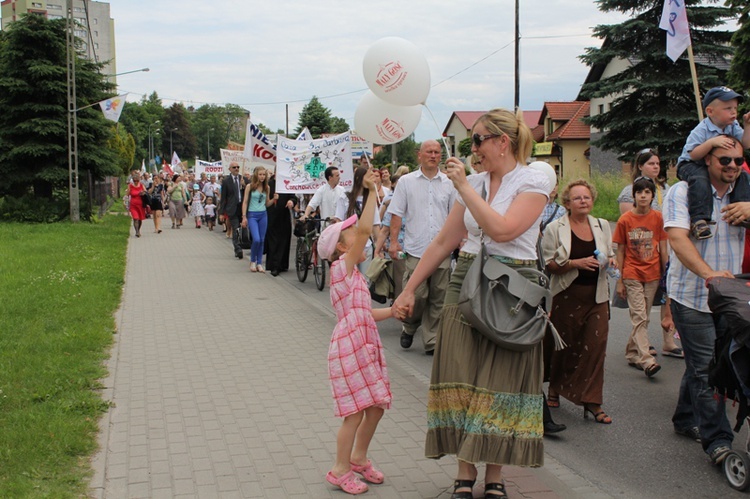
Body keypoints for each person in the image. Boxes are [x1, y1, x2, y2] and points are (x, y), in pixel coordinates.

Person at [392, 108, 550, 498]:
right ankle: (465, 473)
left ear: (503, 142)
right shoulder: (475, 182)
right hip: (467, 276)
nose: (472, 148)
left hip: (515, 283)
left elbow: (504, 228)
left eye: (478, 140)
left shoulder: (536, 176)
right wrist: (409, 288)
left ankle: (494, 475)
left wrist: (463, 188)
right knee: (461, 373)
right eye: (471, 142)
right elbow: (445, 241)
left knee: (501, 382)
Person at [664, 135, 750, 465]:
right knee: (703, 369)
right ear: (707, 161)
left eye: (738, 161)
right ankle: (718, 441)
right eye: (724, 160)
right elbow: (676, 238)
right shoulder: (683, 191)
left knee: (714, 362)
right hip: (693, 295)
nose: (732, 166)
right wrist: (709, 274)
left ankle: (685, 418)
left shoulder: (744, 191)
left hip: (731, 298)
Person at [319, 169, 396, 496]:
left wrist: (393, 311)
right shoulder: (342, 268)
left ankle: (359, 458)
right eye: (350, 234)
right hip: (350, 349)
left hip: (363, 344)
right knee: (353, 415)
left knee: (376, 406)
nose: (358, 235)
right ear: (340, 249)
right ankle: (340, 469)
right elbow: (367, 228)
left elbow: (364, 313)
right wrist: (370, 191)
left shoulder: (355, 276)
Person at [542, 179, 615, 425]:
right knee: (564, 346)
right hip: (567, 295)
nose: (583, 201)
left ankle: (593, 401)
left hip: (597, 296)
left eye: (587, 197)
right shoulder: (555, 228)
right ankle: (555, 387)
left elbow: (610, 254)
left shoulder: (602, 225)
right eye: (577, 198)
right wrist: (575, 263)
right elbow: (549, 263)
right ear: (567, 203)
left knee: (596, 347)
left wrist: (611, 261)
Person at [387, 140, 456, 355]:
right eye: (429, 152)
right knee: (417, 295)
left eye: (437, 152)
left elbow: (455, 215)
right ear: (420, 155)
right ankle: (409, 326)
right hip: (416, 249)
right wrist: (393, 241)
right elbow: (397, 213)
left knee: (439, 296)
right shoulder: (406, 182)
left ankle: (431, 339)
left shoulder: (449, 183)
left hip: (442, 250)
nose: (433, 155)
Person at [618, 148, 683, 358]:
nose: (656, 167)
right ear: (640, 166)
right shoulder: (631, 190)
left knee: (666, 296)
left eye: (658, 163)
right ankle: (641, 347)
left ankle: (667, 340)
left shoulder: (666, 188)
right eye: (651, 163)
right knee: (641, 308)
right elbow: (629, 227)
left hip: (667, 245)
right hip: (640, 255)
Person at [676, 86, 750, 239]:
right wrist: (711, 143)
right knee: (700, 179)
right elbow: (694, 154)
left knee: (742, 175)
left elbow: (745, 144)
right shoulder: (701, 129)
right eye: (728, 108)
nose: (733, 112)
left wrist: (747, 126)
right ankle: (699, 219)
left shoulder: (733, 125)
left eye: (735, 108)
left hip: (714, 166)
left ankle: (739, 211)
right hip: (691, 165)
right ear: (710, 111)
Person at [614, 177, 669, 377]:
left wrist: (666, 275)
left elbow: (663, 248)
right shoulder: (625, 220)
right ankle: (646, 360)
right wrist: (620, 279)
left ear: (652, 195)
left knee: (643, 317)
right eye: (639, 192)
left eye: (647, 192)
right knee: (639, 316)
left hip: (653, 273)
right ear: (634, 196)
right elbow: (620, 251)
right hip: (631, 272)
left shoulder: (658, 218)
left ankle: (631, 352)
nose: (643, 195)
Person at [242, 167, 275, 273]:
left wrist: (274, 199)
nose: (262, 177)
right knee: (256, 239)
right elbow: (245, 202)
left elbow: (267, 203)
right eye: (260, 174)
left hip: (263, 215)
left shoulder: (267, 187)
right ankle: (253, 261)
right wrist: (244, 216)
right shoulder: (250, 186)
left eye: (264, 175)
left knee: (261, 240)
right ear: (256, 175)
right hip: (252, 215)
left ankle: (259, 263)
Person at [266, 171, 297, 276]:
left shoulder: (286, 183)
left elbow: (293, 196)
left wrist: (291, 202)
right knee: (273, 241)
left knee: (284, 239)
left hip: (283, 216)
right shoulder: (269, 184)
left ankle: (282, 264)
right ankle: (274, 265)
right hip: (271, 215)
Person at [219, 162, 246, 259]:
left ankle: (243, 244)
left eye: (238, 167)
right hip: (232, 208)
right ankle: (238, 249)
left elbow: (249, 192)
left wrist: (245, 185)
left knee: (243, 228)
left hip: (242, 208)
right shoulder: (226, 181)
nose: (236, 169)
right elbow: (223, 198)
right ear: (230, 169)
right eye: (234, 167)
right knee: (236, 228)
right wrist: (221, 212)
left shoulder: (242, 179)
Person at [125, 170, 147, 237]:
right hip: (133, 205)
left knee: (140, 219)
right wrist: (125, 202)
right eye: (135, 181)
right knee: (135, 218)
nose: (136, 182)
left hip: (141, 205)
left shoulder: (141, 186)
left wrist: (143, 193)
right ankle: (137, 232)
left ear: (139, 180)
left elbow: (146, 193)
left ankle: (139, 230)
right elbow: (127, 194)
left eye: (137, 180)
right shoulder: (130, 186)